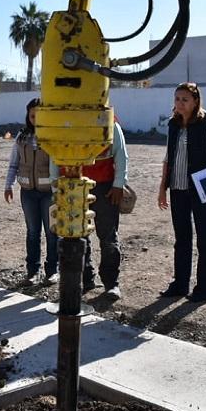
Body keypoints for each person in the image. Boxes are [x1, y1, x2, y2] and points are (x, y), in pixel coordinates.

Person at [158, 81, 206, 303]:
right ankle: (180, 284)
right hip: (178, 188)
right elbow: (168, 158)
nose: (180, 103)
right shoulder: (173, 124)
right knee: (182, 238)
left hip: (201, 188)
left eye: (184, 99)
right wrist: (162, 189)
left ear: (195, 101)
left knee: (205, 238)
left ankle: (205, 289)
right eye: (177, 99)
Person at [3, 98, 59, 287]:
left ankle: (52, 271)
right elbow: (13, 164)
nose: (35, 117)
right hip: (27, 193)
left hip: (49, 194)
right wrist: (8, 185)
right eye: (32, 114)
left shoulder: (53, 136)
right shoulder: (21, 137)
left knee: (52, 233)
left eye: (39, 114)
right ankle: (32, 272)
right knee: (33, 232)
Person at [81, 118, 128, 302]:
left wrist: (118, 185)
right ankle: (84, 279)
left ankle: (111, 283)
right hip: (74, 185)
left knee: (108, 236)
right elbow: (55, 158)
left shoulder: (110, 124)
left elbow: (121, 154)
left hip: (105, 188)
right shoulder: (68, 122)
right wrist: (56, 188)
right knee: (78, 235)